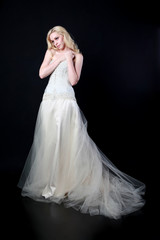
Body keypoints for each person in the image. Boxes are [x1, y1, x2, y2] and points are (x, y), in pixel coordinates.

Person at [18, 26, 145, 219]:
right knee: (50, 141)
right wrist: (57, 58)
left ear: (64, 36)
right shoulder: (50, 52)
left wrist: (68, 58)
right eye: (52, 40)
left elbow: (74, 80)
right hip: (49, 100)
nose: (55, 43)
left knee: (67, 141)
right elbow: (42, 74)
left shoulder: (78, 56)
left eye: (57, 39)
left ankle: (65, 185)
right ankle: (52, 182)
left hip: (66, 101)